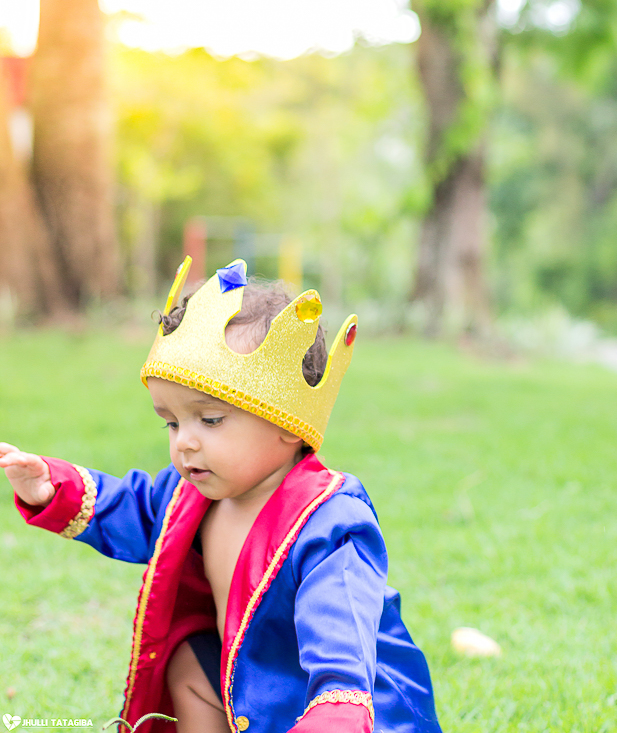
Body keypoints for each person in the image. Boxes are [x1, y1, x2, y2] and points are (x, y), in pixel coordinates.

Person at [0, 259, 441, 733]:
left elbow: (341, 633)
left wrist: (336, 711)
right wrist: (53, 488)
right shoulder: (191, 492)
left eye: (209, 420)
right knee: (188, 659)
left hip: (343, 707)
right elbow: (132, 507)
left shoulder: (329, 523)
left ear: (288, 424)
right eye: (172, 423)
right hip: (252, 689)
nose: (185, 442)